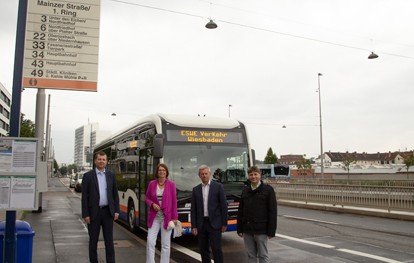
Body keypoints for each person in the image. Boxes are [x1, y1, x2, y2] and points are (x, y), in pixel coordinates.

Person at [81, 151, 120, 263]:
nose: (101, 161)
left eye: (103, 159)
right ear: (95, 161)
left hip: (108, 212)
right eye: (99, 159)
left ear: (106, 161)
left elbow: (115, 194)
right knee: (93, 241)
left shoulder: (111, 175)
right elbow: (85, 197)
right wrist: (86, 214)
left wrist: (116, 211)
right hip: (94, 213)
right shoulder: (88, 176)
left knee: (109, 241)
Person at [237, 165, 277, 263]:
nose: (253, 176)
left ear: (260, 175)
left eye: (255, 174)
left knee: (263, 255)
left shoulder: (268, 190)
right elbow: (241, 210)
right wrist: (239, 228)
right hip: (247, 229)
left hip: (261, 229)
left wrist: (271, 231)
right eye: (251, 175)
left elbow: (272, 211)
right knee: (251, 256)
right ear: (248, 177)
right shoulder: (245, 190)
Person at [191, 165, 227, 263]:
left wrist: (224, 223)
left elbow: (224, 206)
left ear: (210, 174)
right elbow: (193, 209)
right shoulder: (196, 189)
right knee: (203, 250)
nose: (204, 175)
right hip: (201, 224)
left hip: (215, 224)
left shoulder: (218, 187)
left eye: (206, 173)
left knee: (216, 249)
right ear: (199, 176)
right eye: (202, 174)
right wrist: (194, 226)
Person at [145, 163, 178, 263]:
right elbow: (146, 198)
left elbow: (174, 202)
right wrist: (152, 204)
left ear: (166, 172)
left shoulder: (171, 184)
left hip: (166, 218)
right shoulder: (152, 184)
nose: (162, 172)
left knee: (166, 244)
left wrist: (174, 218)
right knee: (150, 241)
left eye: (164, 170)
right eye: (160, 170)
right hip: (154, 218)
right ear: (157, 172)